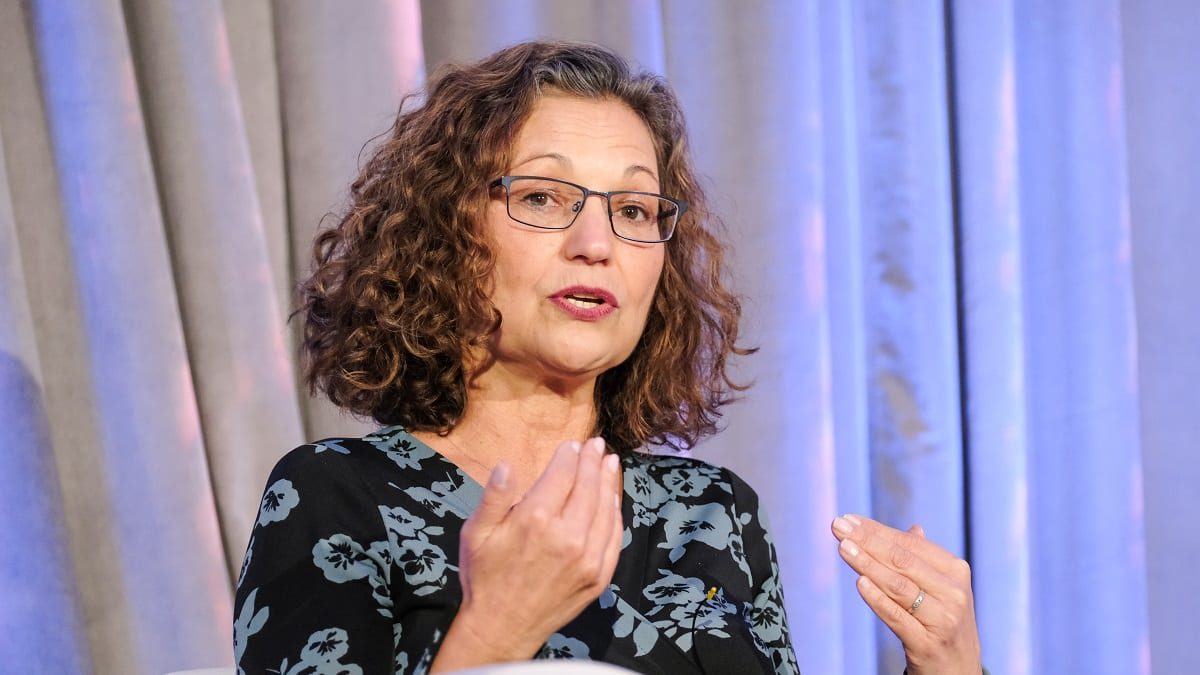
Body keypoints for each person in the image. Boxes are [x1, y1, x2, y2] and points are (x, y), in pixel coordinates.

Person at [234, 40, 981, 674]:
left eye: (632, 210)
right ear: (446, 234)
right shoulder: (334, 496)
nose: (596, 244)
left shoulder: (714, 515)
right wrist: (493, 633)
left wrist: (946, 666)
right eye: (544, 198)